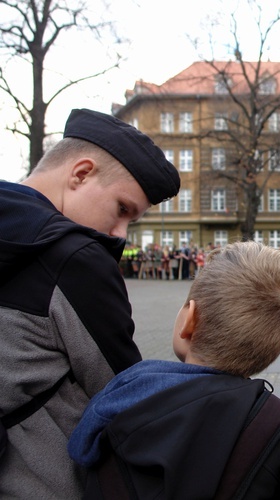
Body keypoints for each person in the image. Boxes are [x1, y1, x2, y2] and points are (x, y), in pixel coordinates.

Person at [0, 108, 180, 498]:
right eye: (122, 210)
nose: (120, 234)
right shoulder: (75, 258)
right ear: (80, 174)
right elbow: (124, 391)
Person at [68, 241, 280, 498]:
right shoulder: (274, 423)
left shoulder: (136, 386)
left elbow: (80, 448)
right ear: (272, 349)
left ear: (189, 319)